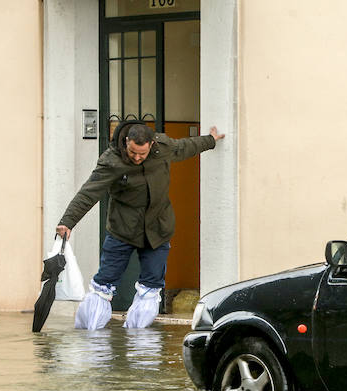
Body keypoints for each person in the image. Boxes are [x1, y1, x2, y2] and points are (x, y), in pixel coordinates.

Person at [56, 120, 225, 329]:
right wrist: (67, 222)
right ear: (126, 142)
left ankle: (139, 341)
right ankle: (90, 335)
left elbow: (185, 147)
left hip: (157, 230)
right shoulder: (112, 161)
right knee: (104, 284)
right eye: (133, 152)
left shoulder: (163, 148)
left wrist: (211, 140)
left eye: (141, 154)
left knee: (151, 286)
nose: (136, 157)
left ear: (152, 145)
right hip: (122, 230)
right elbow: (89, 193)